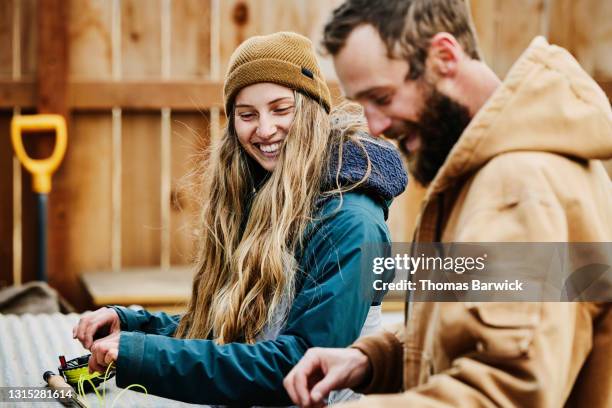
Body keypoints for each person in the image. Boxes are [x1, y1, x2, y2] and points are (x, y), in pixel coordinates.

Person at [283, 0, 612, 407]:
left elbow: (506, 390)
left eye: (383, 97)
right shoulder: (485, 174)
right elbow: (477, 328)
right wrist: (370, 360)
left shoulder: (520, 186)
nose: (377, 126)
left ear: (444, 56)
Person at [71, 31, 407, 405]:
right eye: (247, 115)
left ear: (312, 110)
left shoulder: (351, 221)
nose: (264, 130)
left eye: (281, 109)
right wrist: (136, 328)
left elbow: (299, 365)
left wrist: (144, 356)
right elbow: (240, 335)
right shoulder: (263, 196)